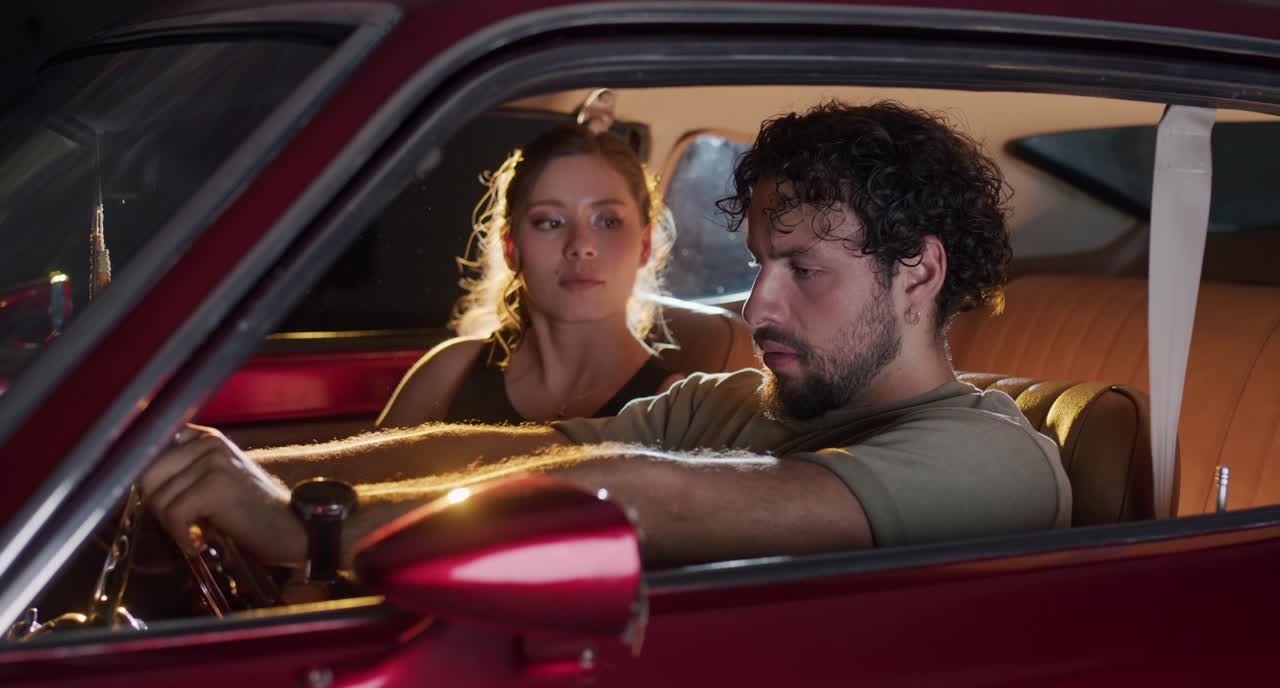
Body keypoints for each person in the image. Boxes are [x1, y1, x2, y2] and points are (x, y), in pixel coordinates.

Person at [140, 100, 1071, 572]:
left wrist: (301, 528)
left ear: (919, 270)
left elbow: (635, 497)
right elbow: (516, 451)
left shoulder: (989, 459)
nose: (757, 310)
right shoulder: (736, 405)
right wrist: (259, 469)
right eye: (757, 267)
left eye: (804, 270)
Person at [378, 124, 683, 427]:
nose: (580, 246)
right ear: (511, 248)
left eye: (608, 221)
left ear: (644, 245)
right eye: (550, 222)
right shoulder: (449, 373)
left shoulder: (673, 405)